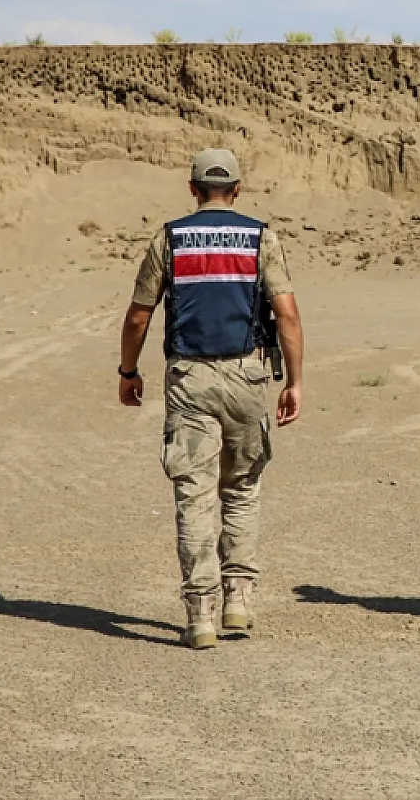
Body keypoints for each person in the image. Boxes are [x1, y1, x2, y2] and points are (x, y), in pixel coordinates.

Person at [117, 148, 305, 649]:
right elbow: (286, 313)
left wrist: (128, 371)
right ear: (238, 189)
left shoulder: (170, 238)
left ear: (192, 188)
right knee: (241, 487)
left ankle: (200, 614)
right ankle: (238, 599)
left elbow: (139, 315)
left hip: (189, 378)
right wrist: (295, 381)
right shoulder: (260, 236)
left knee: (194, 496)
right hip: (247, 376)